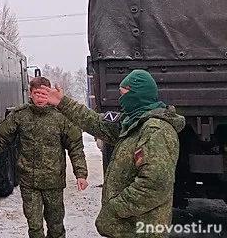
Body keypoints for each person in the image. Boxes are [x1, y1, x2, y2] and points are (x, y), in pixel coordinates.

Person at [37, 69, 185, 238]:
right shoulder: (131, 122)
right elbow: (96, 122)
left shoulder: (155, 131)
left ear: (138, 95)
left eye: (124, 94)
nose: (121, 100)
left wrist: (115, 207)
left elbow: (154, 186)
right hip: (127, 229)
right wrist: (62, 102)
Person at [0, 77, 88, 238]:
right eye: (37, 93)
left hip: (53, 182)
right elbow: (2, 138)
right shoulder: (20, 115)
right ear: (30, 93)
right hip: (29, 182)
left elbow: (75, 146)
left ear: (50, 93)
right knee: (34, 227)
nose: (40, 98)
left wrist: (81, 174)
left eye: (44, 93)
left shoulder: (61, 117)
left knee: (56, 227)